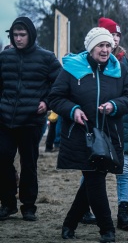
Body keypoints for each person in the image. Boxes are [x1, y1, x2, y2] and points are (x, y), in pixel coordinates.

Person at [48, 27, 128, 242]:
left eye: (108, 45)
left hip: (108, 135)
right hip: (80, 135)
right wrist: (73, 110)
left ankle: (69, 223)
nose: (106, 49)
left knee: (92, 181)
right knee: (95, 179)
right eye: (101, 45)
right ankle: (107, 229)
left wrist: (114, 105)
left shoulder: (119, 68)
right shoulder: (72, 68)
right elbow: (56, 97)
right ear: (91, 48)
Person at [0, 17, 62, 222]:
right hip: (5, 118)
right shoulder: (5, 57)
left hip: (31, 120)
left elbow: (60, 84)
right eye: (15, 35)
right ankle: (8, 204)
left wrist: (47, 102)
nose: (18, 39)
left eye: (22, 35)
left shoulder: (46, 58)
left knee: (29, 164)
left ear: (31, 35)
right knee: (2, 159)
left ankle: (28, 206)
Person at [97, 17, 128, 230]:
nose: (114, 39)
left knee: (124, 169)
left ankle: (123, 211)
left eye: (117, 35)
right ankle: (88, 208)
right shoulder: (90, 61)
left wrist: (115, 105)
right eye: (110, 34)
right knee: (93, 168)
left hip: (122, 122)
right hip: (97, 124)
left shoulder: (125, 62)